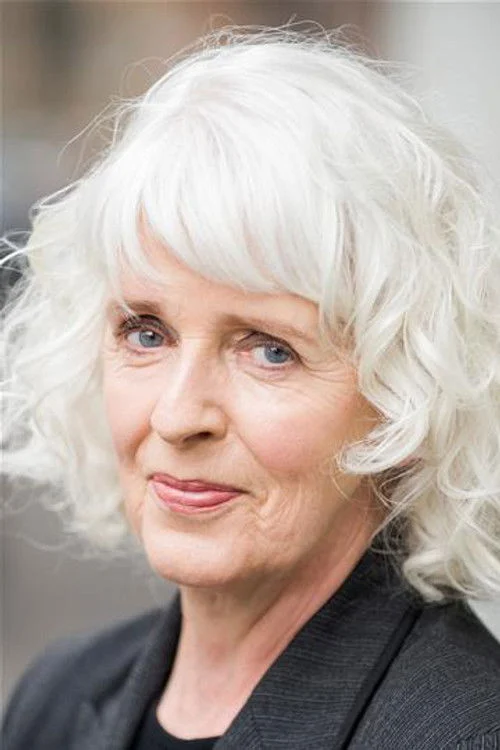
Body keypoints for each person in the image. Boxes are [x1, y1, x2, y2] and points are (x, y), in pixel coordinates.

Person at [2, 25, 500, 750]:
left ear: (404, 397)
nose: (178, 415)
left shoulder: (463, 732)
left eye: (270, 350)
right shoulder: (60, 694)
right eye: (146, 332)